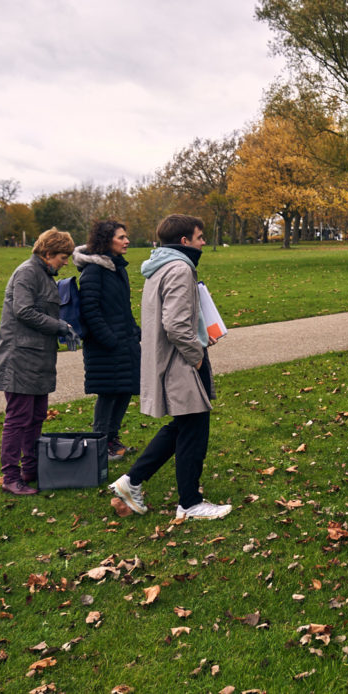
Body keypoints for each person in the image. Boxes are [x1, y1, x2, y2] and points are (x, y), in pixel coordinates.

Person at [110, 214, 232, 521]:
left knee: (182, 427)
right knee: (194, 430)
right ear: (184, 241)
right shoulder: (179, 268)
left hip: (172, 359)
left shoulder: (161, 265)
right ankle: (190, 503)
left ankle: (131, 481)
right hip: (182, 362)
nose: (204, 242)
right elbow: (176, 325)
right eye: (200, 237)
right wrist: (196, 355)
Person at [0, 228, 78, 495]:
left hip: (38, 358)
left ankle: (31, 468)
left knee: (37, 415)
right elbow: (24, 311)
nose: (66, 262)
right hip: (19, 358)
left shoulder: (45, 275)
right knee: (18, 418)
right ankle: (10, 477)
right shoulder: (27, 273)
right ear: (48, 253)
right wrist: (60, 326)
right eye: (63, 257)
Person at [74, 220, 140, 460]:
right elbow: (90, 310)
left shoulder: (116, 268)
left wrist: (134, 331)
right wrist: (109, 339)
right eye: (121, 237)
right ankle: (100, 443)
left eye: (126, 236)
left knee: (124, 389)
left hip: (124, 341)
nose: (127, 241)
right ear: (106, 240)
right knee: (109, 392)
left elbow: (123, 307)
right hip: (106, 346)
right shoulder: (94, 271)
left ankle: (112, 439)